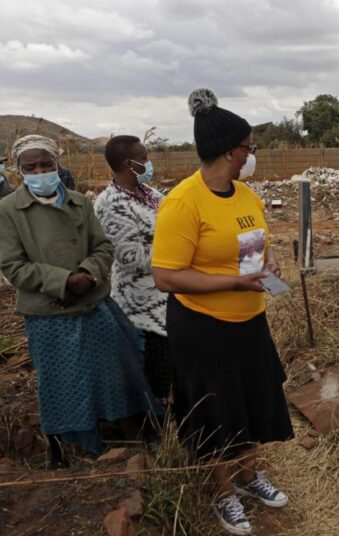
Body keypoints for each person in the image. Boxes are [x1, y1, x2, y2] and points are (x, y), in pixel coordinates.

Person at [152, 88, 293, 536]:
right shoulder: (183, 202)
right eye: (249, 146)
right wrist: (232, 282)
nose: (252, 154)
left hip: (249, 319)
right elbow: (167, 276)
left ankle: (251, 478)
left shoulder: (246, 195)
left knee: (250, 400)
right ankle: (224, 494)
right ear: (232, 151)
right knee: (214, 411)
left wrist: (267, 269)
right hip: (202, 326)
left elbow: (253, 251)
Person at [0, 135, 161, 467]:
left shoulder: (79, 202)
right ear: (19, 171)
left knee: (119, 367)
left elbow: (102, 247)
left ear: (57, 164)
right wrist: (64, 282)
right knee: (63, 382)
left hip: (93, 302)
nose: (40, 171)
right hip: (49, 313)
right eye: (30, 167)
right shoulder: (8, 210)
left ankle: (132, 427)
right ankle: (70, 446)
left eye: (46, 164)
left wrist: (88, 274)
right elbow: (13, 265)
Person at [94, 135, 170, 402]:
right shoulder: (110, 203)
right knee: (155, 371)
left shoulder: (151, 195)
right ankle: (160, 429)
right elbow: (130, 256)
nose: (149, 163)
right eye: (144, 158)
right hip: (140, 304)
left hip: (167, 294)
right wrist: (178, 256)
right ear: (129, 163)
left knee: (172, 366)